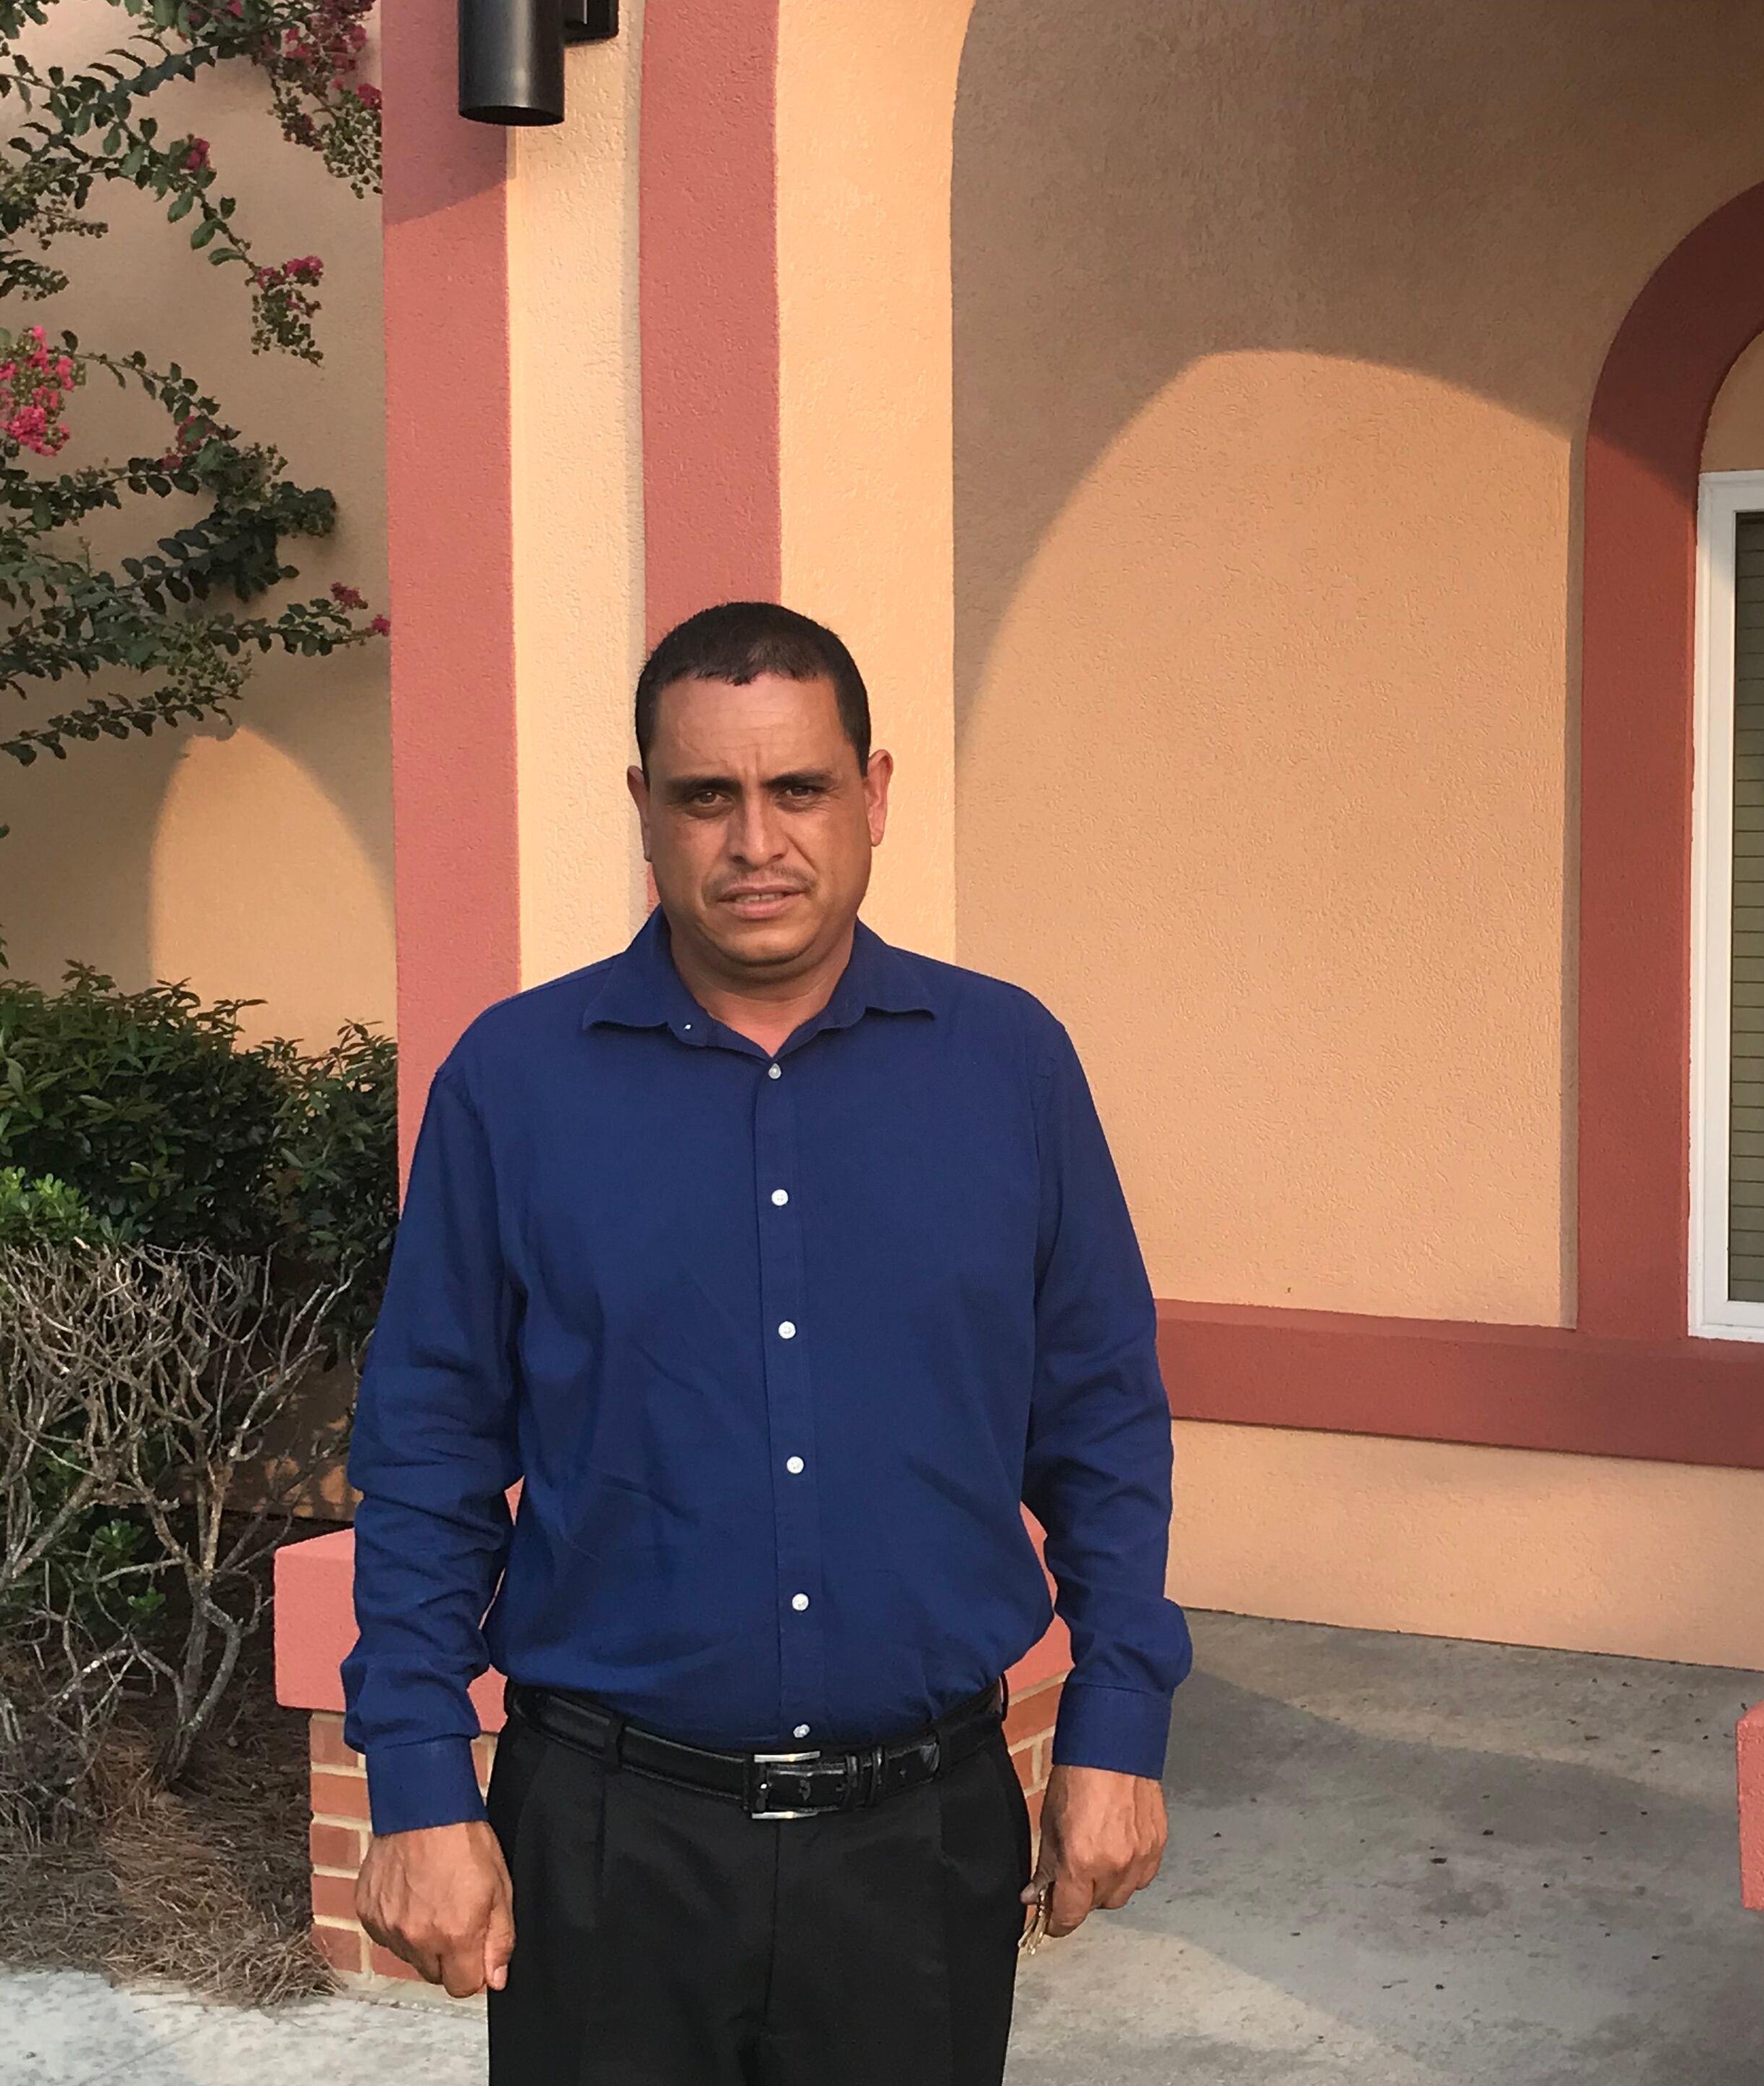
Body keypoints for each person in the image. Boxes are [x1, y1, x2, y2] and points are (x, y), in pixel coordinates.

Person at [341, 601, 1190, 2084]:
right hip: (611, 1846)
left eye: (798, 788)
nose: (756, 840)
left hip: (916, 1849)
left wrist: (1119, 1718)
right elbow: (427, 1448)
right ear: (644, 813)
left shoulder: (1009, 1067)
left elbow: (1104, 1420)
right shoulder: (516, 1085)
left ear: (874, 795)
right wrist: (418, 1780)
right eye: (705, 795)